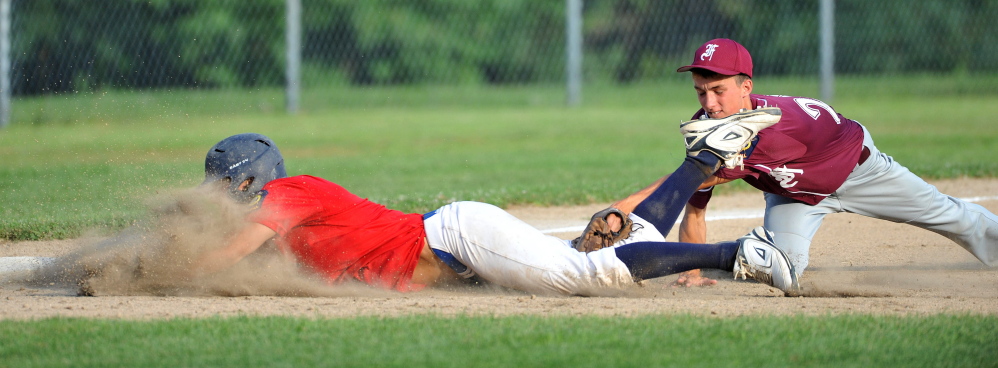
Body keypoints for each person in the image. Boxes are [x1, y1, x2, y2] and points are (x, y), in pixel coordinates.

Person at [192, 123, 798, 297]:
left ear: (250, 186)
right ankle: (698, 163)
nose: (223, 206)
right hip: (460, 248)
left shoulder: (288, 192)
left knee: (583, 277)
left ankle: (743, 255)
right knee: (593, 257)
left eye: (227, 193)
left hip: (459, 235)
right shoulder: (283, 225)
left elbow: (230, 251)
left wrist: (173, 274)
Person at [610, 38, 998, 290]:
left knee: (947, 214)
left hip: (859, 173)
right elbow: (695, 203)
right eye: (701, 91)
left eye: (718, 90)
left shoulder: (776, 127)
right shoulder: (714, 126)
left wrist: (618, 211)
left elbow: (685, 181)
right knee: (782, 272)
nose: (709, 103)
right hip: (792, 195)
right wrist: (691, 274)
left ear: (746, 87)